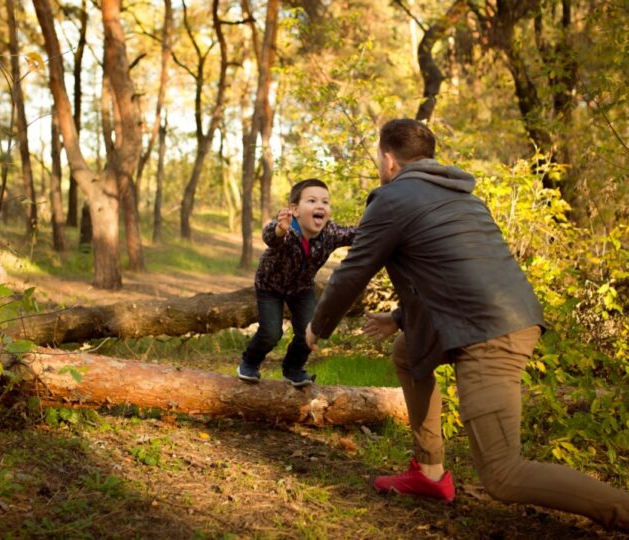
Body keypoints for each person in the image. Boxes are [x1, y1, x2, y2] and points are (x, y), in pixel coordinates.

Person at [306, 119, 629, 531]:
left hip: (490, 334)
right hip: (505, 317)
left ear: (388, 160)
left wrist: (316, 328)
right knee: (407, 351)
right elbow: (455, 276)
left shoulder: (392, 198)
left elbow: (352, 273)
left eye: (378, 156)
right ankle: (429, 473)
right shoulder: (463, 197)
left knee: (503, 474)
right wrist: (402, 318)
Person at [237, 178, 356, 387]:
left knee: (310, 331)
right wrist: (280, 230)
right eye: (311, 201)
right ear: (295, 209)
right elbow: (270, 235)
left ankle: (293, 369)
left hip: (301, 287)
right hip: (270, 286)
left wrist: (381, 223)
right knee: (271, 333)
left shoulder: (330, 232)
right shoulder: (286, 227)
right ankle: (249, 363)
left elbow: (357, 234)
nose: (320, 206)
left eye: (325, 202)